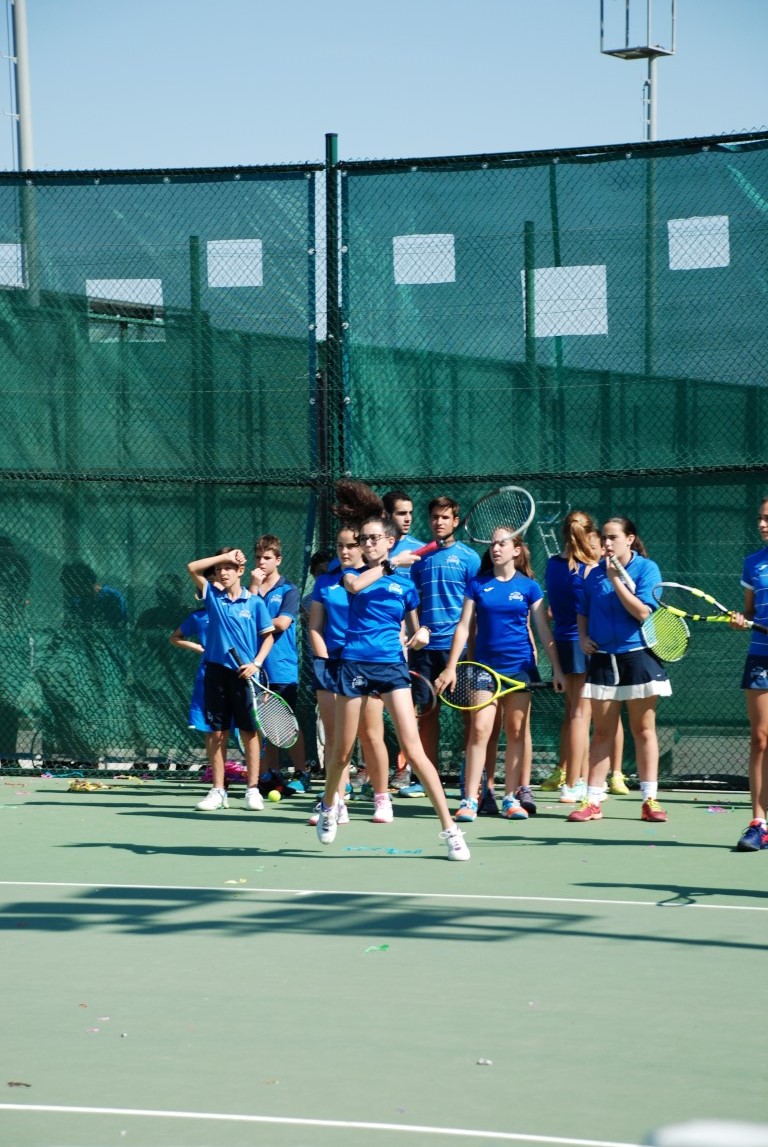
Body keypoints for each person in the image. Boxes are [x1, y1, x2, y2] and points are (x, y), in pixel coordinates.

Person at [315, 513, 470, 861]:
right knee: (342, 752)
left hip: (392, 668)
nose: (367, 544)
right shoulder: (351, 574)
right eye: (363, 539)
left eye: (374, 538)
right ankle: (329, 805)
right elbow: (355, 587)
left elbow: (416, 629)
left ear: (389, 541)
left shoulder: (406, 587)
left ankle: (451, 832)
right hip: (355, 664)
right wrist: (390, 565)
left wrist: (423, 634)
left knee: (415, 751)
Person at [436, 527, 565, 823]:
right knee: (480, 730)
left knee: (516, 732)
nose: (495, 548)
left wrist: (557, 668)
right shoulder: (477, 584)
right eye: (493, 544)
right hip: (484, 670)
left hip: (520, 669)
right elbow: (464, 627)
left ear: (516, 550)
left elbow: (543, 631)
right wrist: (451, 666)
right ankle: (470, 799)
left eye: (502, 543)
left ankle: (510, 798)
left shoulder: (529, 587)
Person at [568, 516, 671, 824]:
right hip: (603, 660)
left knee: (643, 730)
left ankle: (650, 800)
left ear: (630, 539)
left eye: (613, 537)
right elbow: (583, 611)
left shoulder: (647, 569)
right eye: (605, 537)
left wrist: (616, 580)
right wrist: (583, 637)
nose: (607, 543)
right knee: (601, 732)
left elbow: (643, 612)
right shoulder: (593, 574)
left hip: (637, 656)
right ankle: (592, 801)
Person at [308, 524, 393, 825]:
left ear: (363, 547)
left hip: (366, 663)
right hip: (332, 666)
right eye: (340, 546)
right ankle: (336, 801)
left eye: (351, 545)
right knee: (335, 739)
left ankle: (382, 798)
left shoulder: (377, 577)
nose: (344, 551)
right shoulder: (325, 582)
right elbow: (315, 627)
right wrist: (324, 659)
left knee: (370, 734)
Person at [187, 546, 274, 812]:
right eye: (218, 570)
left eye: (228, 568)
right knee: (217, 733)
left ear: (240, 571)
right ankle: (218, 790)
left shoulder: (255, 603)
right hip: (215, 673)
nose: (223, 573)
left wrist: (255, 664)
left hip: (244, 675)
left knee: (249, 732)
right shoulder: (213, 597)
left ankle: (252, 790)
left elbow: (268, 637)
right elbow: (192, 567)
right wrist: (225, 556)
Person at [406, 495, 481, 798]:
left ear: (456, 521)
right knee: (426, 713)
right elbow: (412, 602)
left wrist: (471, 648)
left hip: (458, 651)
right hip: (425, 650)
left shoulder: (469, 559)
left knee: (468, 714)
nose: (439, 522)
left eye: (445, 517)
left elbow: (475, 609)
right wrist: (415, 633)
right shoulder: (420, 558)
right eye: (435, 517)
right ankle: (426, 778)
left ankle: (470, 778)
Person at [250, 534, 310, 794]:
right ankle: (272, 774)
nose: (261, 562)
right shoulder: (250, 590)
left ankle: (302, 773)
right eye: (258, 558)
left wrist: (256, 620)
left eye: (267, 557)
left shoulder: (289, 590)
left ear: (278, 560)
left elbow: (282, 623)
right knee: (265, 725)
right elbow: (244, 617)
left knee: (284, 724)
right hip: (254, 669)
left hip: (282, 669)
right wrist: (254, 588)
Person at [731, 498, 768, 851]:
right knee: (760, 738)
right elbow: (751, 611)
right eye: (760, 518)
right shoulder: (753, 563)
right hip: (761, 656)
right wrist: (742, 620)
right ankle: (759, 823)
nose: (762, 524)